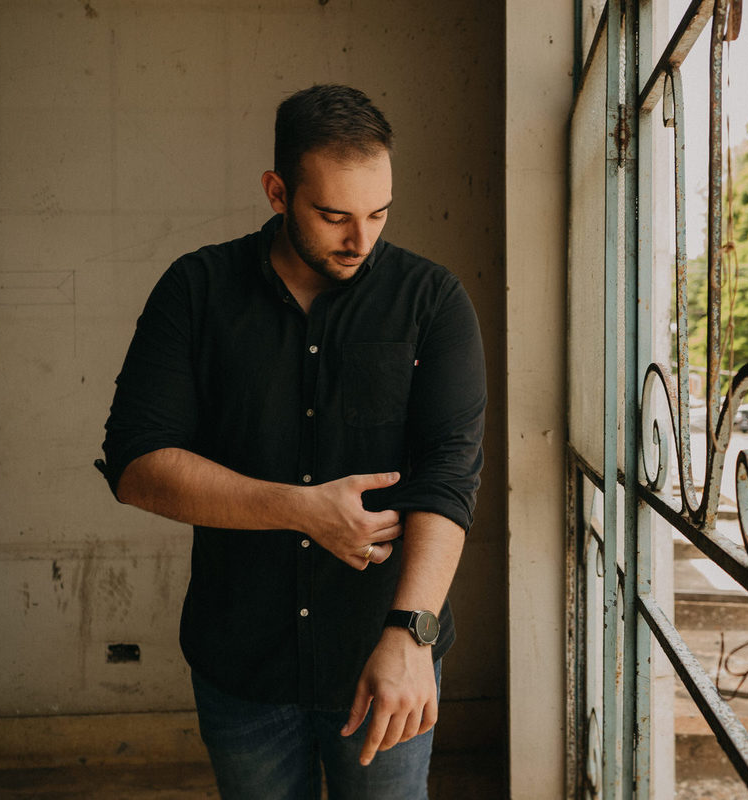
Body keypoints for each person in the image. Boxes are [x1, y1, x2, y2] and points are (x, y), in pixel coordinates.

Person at [96, 84, 486, 800]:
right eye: (334, 215)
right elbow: (137, 463)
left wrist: (411, 635)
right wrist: (301, 509)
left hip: (387, 658)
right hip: (244, 666)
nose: (360, 239)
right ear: (278, 192)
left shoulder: (433, 300)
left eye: (377, 213)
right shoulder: (196, 290)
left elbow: (449, 474)